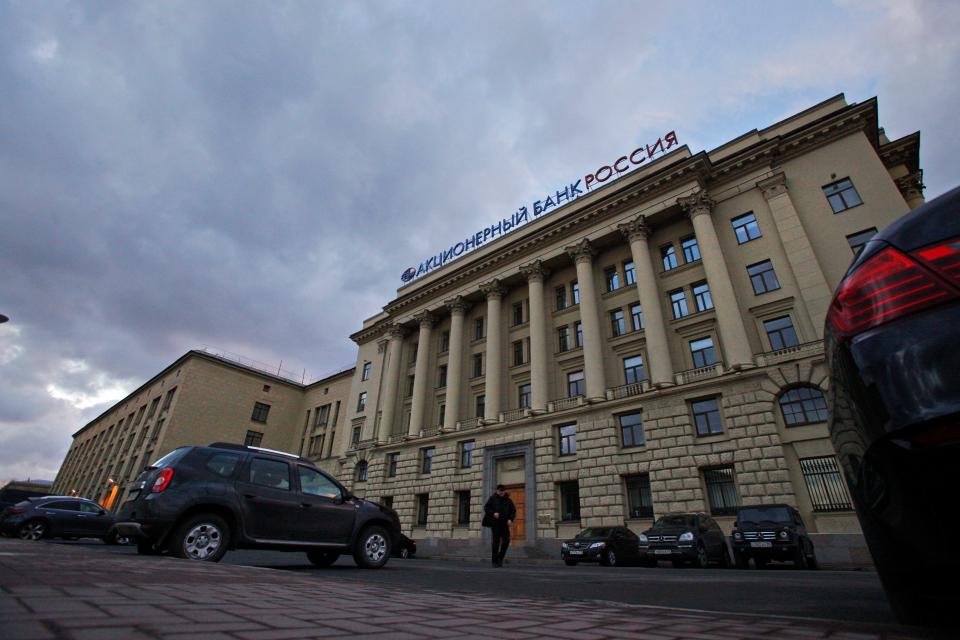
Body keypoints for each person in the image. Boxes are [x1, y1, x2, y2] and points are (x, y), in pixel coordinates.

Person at [483, 484, 516, 567]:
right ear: (497, 491)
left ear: (504, 491)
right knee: (496, 543)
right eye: (499, 491)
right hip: (495, 524)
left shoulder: (508, 500)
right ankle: (494, 561)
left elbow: (513, 511)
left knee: (506, 542)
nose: (501, 492)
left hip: (505, 525)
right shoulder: (492, 499)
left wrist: (510, 519)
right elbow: (486, 508)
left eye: (502, 491)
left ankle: (500, 558)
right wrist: (493, 513)